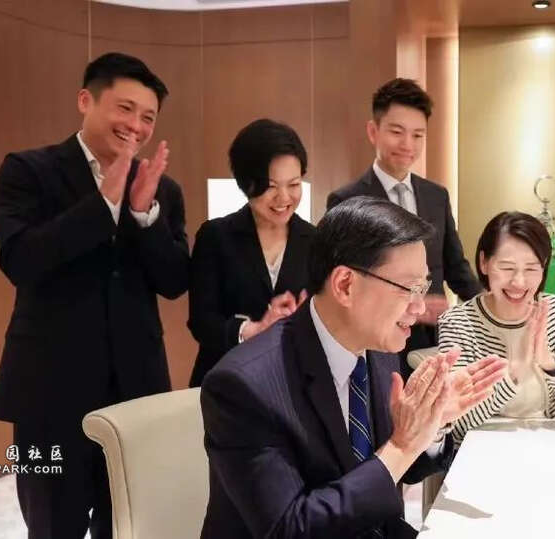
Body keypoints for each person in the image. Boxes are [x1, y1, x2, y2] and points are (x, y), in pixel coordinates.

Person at [199, 197, 506, 538]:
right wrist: (403, 445)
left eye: (423, 288)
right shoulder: (244, 385)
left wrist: (430, 425)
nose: (420, 308)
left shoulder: (377, 347)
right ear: (345, 285)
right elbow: (292, 528)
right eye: (409, 289)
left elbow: (388, 469)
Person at [0, 52, 189, 538]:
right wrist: (103, 205)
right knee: (51, 526)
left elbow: (174, 281)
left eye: (148, 117)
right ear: (86, 100)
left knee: (127, 525)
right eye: (125, 109)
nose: (136, 126)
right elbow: (21, 260)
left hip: (134, 395)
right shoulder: (27, 171)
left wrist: (141, 214)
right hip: (47, 394)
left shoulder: (162, 190)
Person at [327, 78, 481, 377]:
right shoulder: (347, 200)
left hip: (431, 345)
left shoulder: (437, 196)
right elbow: (344, 283)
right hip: (374, 347)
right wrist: (411, 301)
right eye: (397, 132)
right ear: (373, 131)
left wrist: (488, 311)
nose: (407, 144)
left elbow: (456, 269)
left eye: (417, 135)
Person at [438, 211, 555, 446]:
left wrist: (550, 364)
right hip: (484, 454)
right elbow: (454, 427)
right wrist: (514, 372)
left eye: (531, 269)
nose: (519, 282)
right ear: (484, 262)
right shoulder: (459, 322)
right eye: (507, 268)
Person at [188, 119, 314, 386]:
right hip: (224, 382)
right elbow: (201, 321)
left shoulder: (315, 240)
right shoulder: (216, 236)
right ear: (246, 183)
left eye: (293, 184)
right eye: (270, 186)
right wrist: (251, 330)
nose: (284, 198)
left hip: (290, 384)